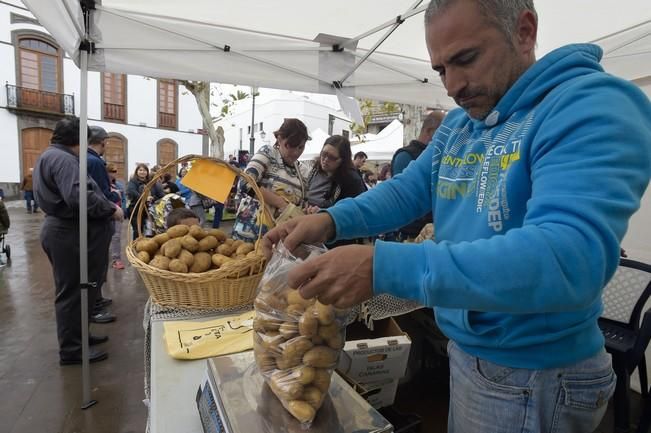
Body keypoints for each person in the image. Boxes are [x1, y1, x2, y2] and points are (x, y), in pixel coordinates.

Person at [264, 1, 651, 431]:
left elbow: (567, 259)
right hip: (470, 353)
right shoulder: (461, 125)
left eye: (466, 59)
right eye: (442, 69)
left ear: (524, 31)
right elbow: (407, 191)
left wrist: (384, 265)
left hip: (535, 374)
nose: (453, 85)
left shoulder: (590, 105)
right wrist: (331, 221)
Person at [33, 116, 124, 365]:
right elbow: (79, 196)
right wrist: (110, 209)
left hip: (67, 231)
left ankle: (79, 338)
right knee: (72, 293)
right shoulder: (63, 159)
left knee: (79, 291)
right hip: (67, 233)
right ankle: (72, 350)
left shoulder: (53, 155)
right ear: (79, 139)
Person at [232, 118, 309, 243]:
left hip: (279, 241)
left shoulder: (302, 171)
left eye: (300, 147)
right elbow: (246, 183)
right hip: (250, 235)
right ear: (279, 139)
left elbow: (303, 203)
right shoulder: (269, 153)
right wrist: (282, 204)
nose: (295, 152)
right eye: (289, 146)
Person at [391, 110, 446, 240]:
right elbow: (404, 196)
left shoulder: (436, 154)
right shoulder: (406, 156)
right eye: (443, 134)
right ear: (430, 131)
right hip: (412, 232)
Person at [87, 126, 117, 322]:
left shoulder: (88, 160)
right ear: (102, 142)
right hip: (99, 220)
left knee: (96, 263)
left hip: (93, 220)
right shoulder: (95, 162)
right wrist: (114, 195)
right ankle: (94, 306)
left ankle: (96, 299)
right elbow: (101, 194)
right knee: (96, 264)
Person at [304, 135, 365, 213]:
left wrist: (324, 212)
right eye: (324, 153)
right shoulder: (316, 169)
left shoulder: (352, 181)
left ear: (342, 160)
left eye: (332, 157)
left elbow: (352, 211)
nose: (325, 160)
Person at [126, 163, 164, 240]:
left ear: (147, 172)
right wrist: (144, 198)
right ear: (137, 171)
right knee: (137, 231)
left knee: (149, 231)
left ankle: (147, 248)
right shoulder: (133, 182)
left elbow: (158, 194)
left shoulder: (151, 182)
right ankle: (136, 248)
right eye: (140, 170)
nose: (142, 172)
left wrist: (152, 198)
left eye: (144, 170)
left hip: (149, 211)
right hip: (136, 210)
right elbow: (132, 192)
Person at [107, 163, 125, 270]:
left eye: (115, 171)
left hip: (118, 214)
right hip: (107, 213)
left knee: (116, 236)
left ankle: (116, 259)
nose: (113, 174)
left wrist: (124, 210)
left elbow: (123, 199)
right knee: (105, 237)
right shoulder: (103, 184)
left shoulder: (119, 185)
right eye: (111, 171)